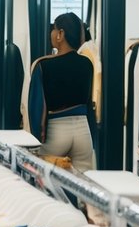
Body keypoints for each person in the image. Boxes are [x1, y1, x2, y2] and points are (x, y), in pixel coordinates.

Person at [29, 12, 96, 170]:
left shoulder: (43, 65)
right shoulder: (87, 64)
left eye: (54, 29)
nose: (51, 33)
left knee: (45, 183)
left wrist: (36, 138)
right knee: (84, 187)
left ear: (60, 34)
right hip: (83, 132)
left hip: (55, 131)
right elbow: (88, 103)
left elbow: (36, 107)